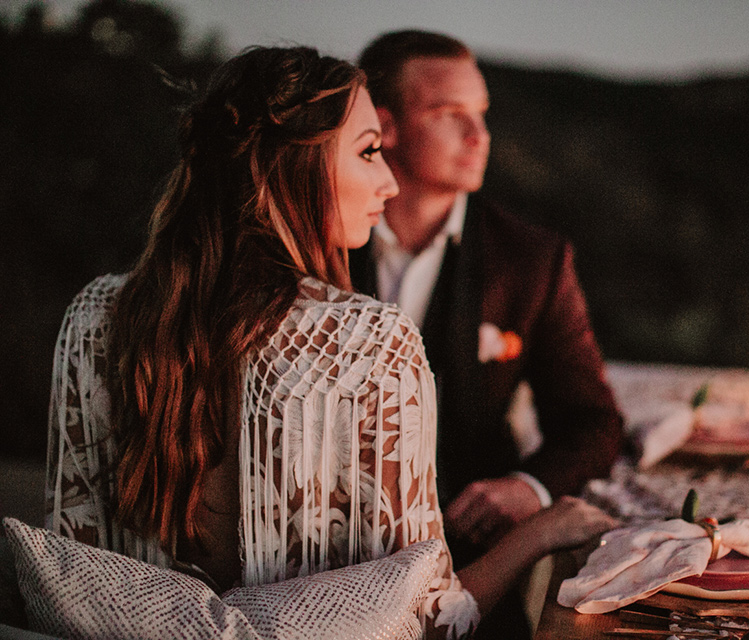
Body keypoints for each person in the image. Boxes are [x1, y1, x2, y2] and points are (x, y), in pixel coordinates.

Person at [45, 46, 617, 639]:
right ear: (293, 166)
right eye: (369, 151)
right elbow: (427, 621)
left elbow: (73, 578)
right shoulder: (375, 341)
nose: (388, 179)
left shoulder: (91, 320)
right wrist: (542, 533)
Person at [351, 31, 624, 635]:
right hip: (326, 555)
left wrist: (529, 487)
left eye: (481, 114)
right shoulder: (319, 240)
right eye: (450, 115)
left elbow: (593, 421)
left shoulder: (531, 259)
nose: (480, 136)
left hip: (471, 554)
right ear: (383, 126)